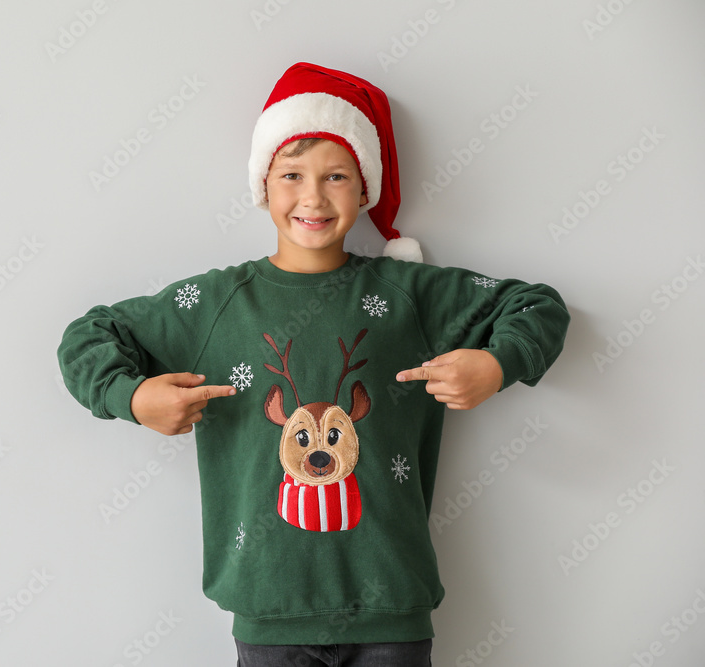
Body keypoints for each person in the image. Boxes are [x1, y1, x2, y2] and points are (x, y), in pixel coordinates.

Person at [58, 62, 569, 666]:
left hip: (392, 610)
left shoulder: (409, 293)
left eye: (336, 177)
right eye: (292, 174)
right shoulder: (215, 304)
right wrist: (134, 399)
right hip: (267, 610)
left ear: (363, 189)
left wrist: (495, 365)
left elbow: (536, 306)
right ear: (264, 186)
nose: (313, 197)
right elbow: (87, 337)